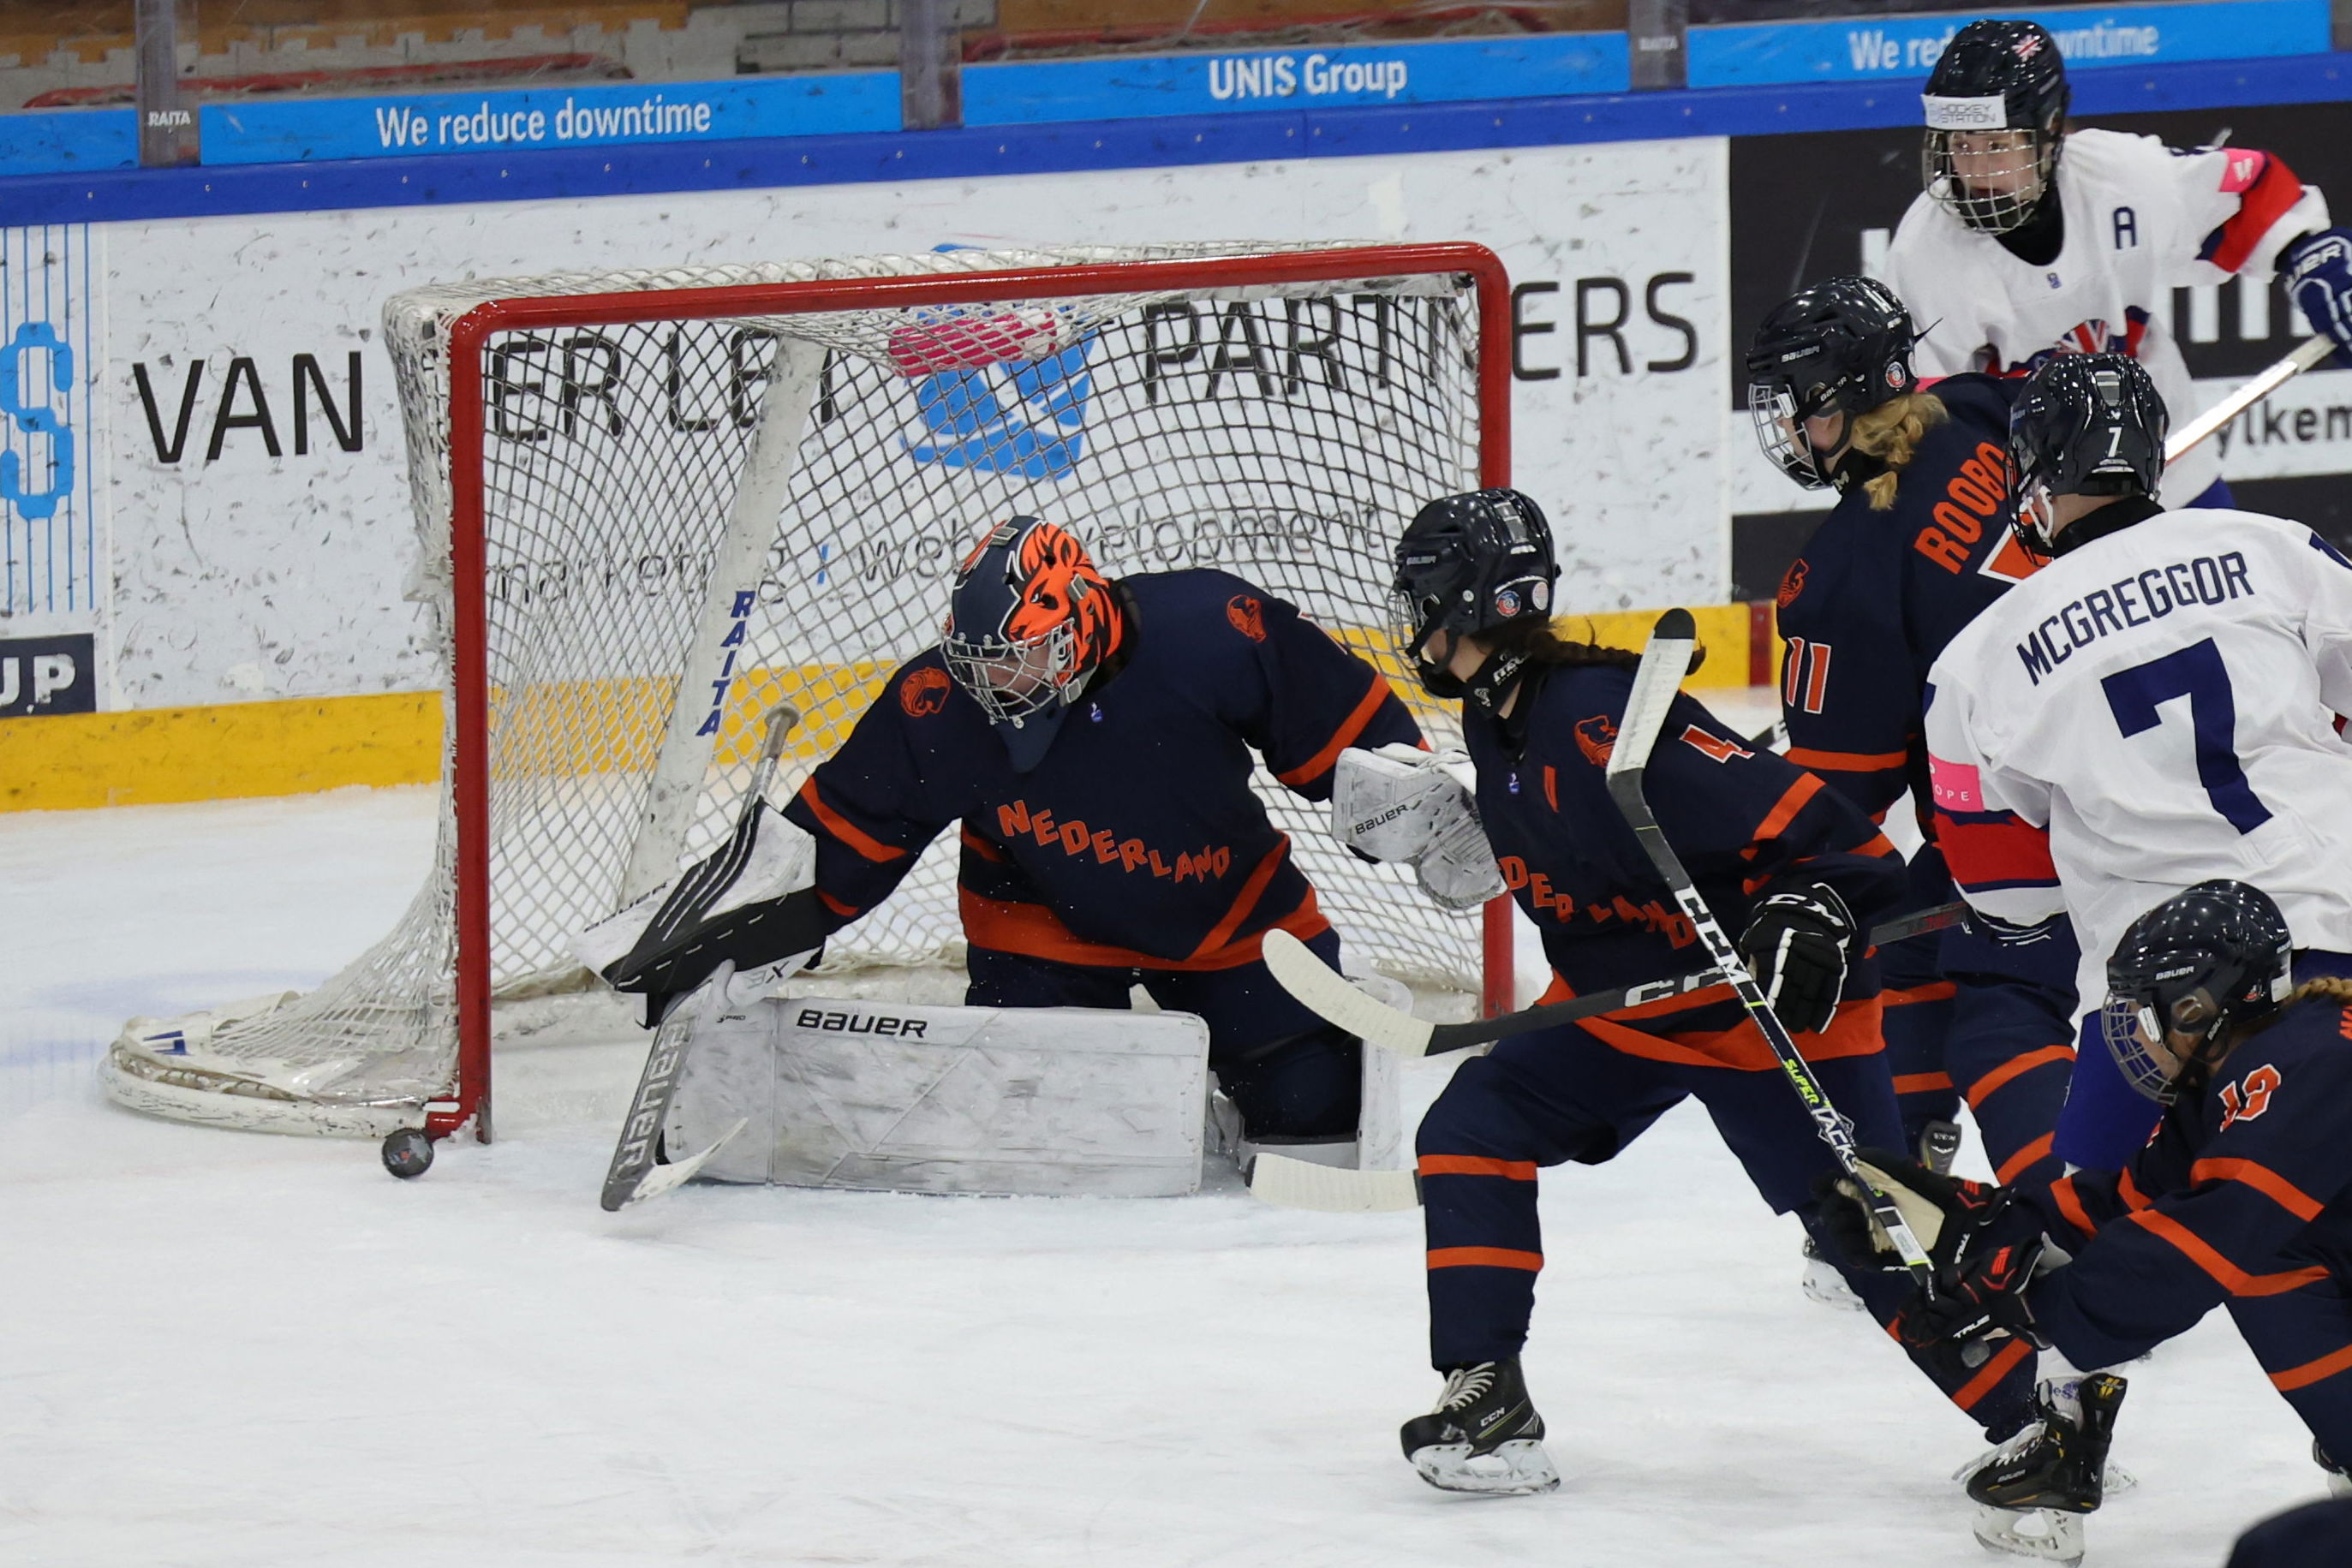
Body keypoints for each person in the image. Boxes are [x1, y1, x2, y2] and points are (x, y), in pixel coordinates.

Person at [1381, 486, 2036, 1499]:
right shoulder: (1492, 719)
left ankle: (2042, 1420)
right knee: (1470, 1127)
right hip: (1630, 1013)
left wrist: (1812, 903)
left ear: (1457, 603)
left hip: (1765, 1019)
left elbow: (1841, 845)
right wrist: (1467, 833)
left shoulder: (1594, 715)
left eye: (1418, 597)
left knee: (1870, 1231)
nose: (1410, 619)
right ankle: (1490, 1403)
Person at [588, 515, 1432, 1153]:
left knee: (1315, 1107)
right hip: (1043, 924)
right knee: (1050, 1137)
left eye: (1019, 656)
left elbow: (1350, 735)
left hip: (1228, 915)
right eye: (980, 660)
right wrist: (726, 933)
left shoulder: (1211, 629)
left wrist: (1420, 810)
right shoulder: (938, 702)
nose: (995, 681)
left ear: (1080, 623)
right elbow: (837, 842)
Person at [1922, 353, 2352, 1176]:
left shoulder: (1975, 662)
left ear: (2037, 470)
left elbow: (2010, 897)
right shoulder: (2270, 546)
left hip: (2160, 1009)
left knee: (2092, 1218)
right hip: (2338, 917)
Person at [1823, 881, 2352, 1549]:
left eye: (2147, 1013)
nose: (2134, 1035)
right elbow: (2129, 1198)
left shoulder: (2311, 1063)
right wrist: (1969, 1221)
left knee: (2260, 1261)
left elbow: (2200, 1246)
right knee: (2269, 1249)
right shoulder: (2261, 1063)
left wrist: (2034, 1304)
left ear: (2197, 1005)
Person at [1746, 276, 2079, 1314]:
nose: (1786, 427)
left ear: (1839, 401)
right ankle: (1915, 1163)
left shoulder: (1841, 573)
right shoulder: (1979, 409)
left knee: (1975, 1002)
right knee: (1916, 933)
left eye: (1795, 404)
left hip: (2036, 824)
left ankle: (2072, 1231)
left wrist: (1746, 809)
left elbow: (1838, 808)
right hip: (2152, 769)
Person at [1877, 17, 2352, 512]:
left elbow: (2250, 196)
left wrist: (2313, 258)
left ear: (2050, 130)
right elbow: (1923, 418)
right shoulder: (1925, 253)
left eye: (1997, 146)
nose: (1975, 172)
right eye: (1961, 146)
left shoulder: (2120, 177)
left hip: (2168, 467)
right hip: (2037, 505)